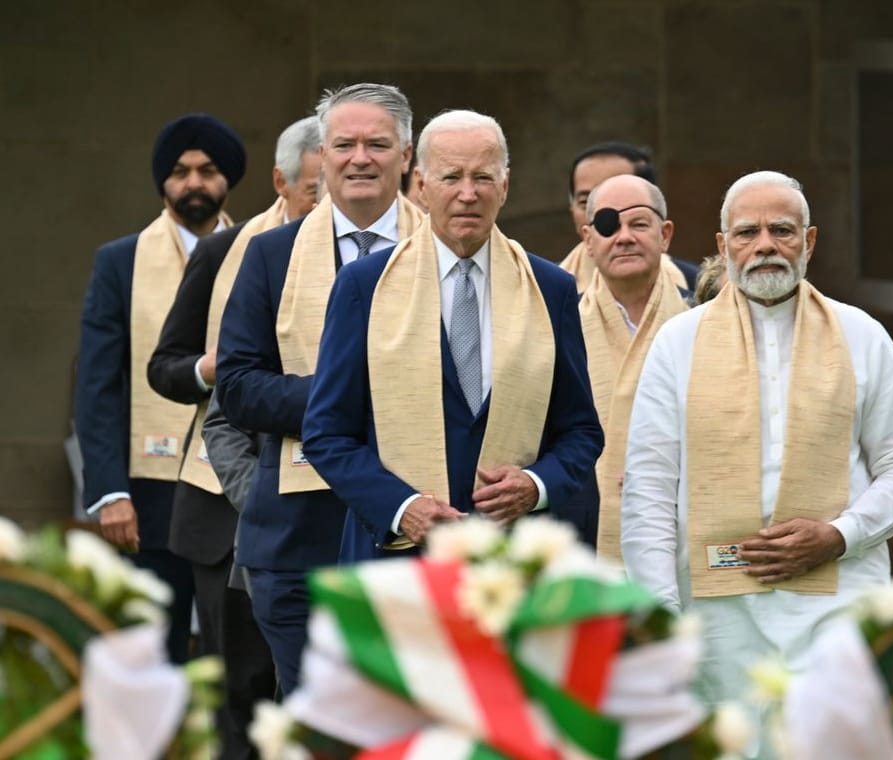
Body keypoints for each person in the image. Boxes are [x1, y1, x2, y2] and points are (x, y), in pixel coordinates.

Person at [621, 171, 893, 709]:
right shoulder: (678, 344)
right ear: (723, 246)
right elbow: (647, 488)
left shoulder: (862, 335)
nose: (765, 245)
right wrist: (659, 617)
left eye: (782, 231)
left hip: (839, 600)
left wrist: (839, 535)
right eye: (747, 233)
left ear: (808, 242)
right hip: (715, 616)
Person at [302, 109, 603, 563]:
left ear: (504, 186)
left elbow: (580, 430)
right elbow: (327, 433)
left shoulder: (550, 288)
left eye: (483, 177)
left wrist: (536, 486)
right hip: (396, 558)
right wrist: (403, 509)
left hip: (513, 560)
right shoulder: (364, 286)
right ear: (421, 185)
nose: (468, 194)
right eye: (451, 177)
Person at [215, 83, 423, 695]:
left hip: (411, 524)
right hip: (295, 538)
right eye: (345, 144)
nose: (360, 157)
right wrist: (351, 398)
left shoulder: (447, 253)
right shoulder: (270, 255)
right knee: (314, 725)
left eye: (378, 144)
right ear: (324, 156)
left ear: (406, 157)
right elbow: (238, 387)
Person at [146, 115, 319, 758]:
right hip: (224, 504)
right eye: (314, 192)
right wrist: (211, 369)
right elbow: (165, 364)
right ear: (280, 182)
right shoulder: (228, 252)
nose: (331, 210)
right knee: (240, 686)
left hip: (331, 500)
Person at [75, 112, 245, 664]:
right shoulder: (119, 261)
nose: (194, 182)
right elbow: (98, 384)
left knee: (235, 658)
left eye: (208, 169)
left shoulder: (262, 251)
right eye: (179, 171)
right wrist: (109, 492)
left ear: (230, 179)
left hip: (234, 486)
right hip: (148, 494)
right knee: (149, 656)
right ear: (161, 182)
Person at [577, 174, 689, 557]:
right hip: (587, 527)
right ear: (589, 240)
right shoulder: (558, 325)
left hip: (687, 522)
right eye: (609, 226)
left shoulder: (706, 321)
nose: (624, 236)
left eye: (639, 223)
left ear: (665, 233)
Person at [560, 141, 698, 292]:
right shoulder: (547, 287)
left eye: (619, 197)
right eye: (585, 201)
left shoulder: (696, 286)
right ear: (572, 211)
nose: (598, 210)